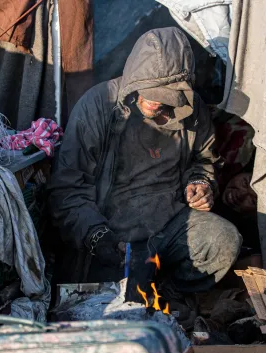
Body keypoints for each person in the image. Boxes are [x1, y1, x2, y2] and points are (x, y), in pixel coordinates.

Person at [49, 27, 242, 294]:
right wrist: (96, 235)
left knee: (223, 240)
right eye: (149, 91)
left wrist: (200, 183)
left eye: (165, 95)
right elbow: (67, 189)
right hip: (115, 234)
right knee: (112, 304)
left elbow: (203, 160)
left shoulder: (192, 109)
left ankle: (170, 293)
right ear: (134, 78)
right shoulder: (98, 105)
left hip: (170, 225)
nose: (155, 100)